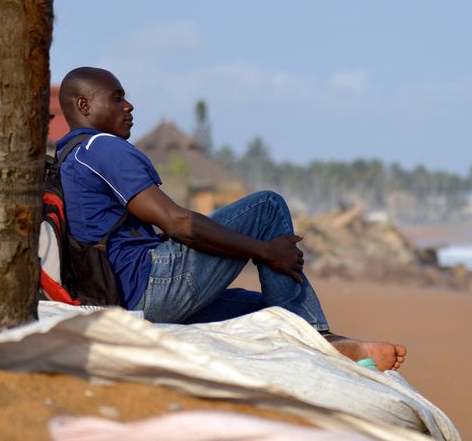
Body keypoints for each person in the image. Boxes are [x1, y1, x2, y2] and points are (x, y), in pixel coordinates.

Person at [55, 66, 407, 370]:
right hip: (150, 285)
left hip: (123, 298)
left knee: (270, 313)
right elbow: (177, 223)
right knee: (266, 207)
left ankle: (339, 343)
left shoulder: (67, 156)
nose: (129, 106)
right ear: (84, 105)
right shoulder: (101, 147)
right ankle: (320, 336)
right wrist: (265, 252)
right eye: (117, 98)